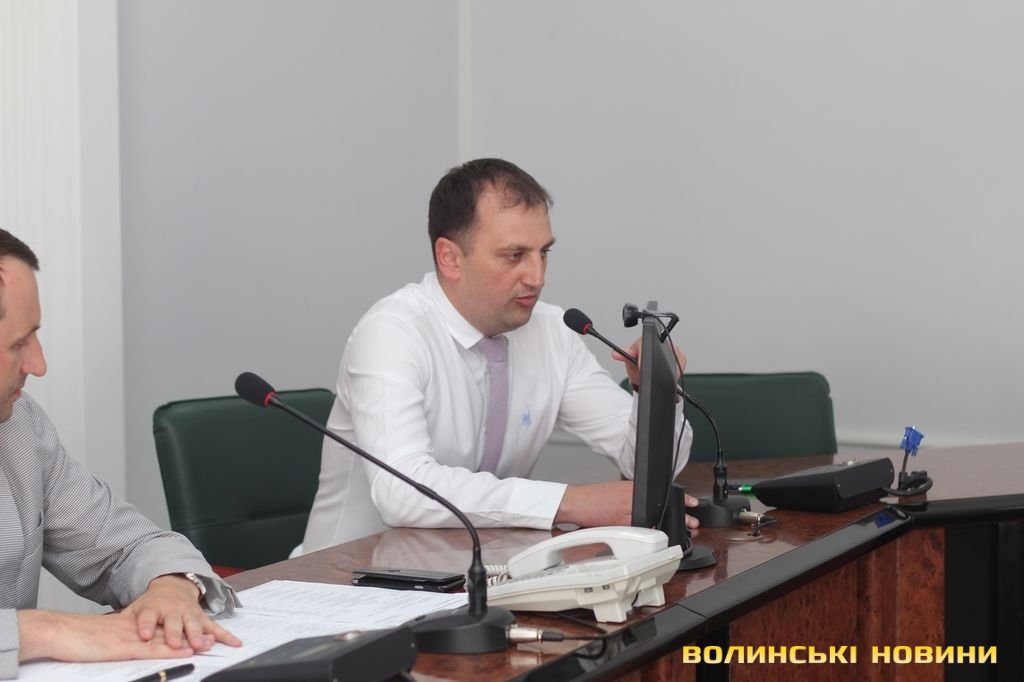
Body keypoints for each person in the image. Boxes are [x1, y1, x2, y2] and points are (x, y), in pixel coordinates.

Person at [302, 158, 694, 552]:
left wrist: (654, 391)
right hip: (341, 577)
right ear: (450, 258)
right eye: (514, 255)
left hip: (475, 572)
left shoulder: (553, 332)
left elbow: (645, 466)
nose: (537, 277)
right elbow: (401, 491)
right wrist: (569, 502)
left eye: (544, 252)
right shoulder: (392, 332)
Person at [0, 229, 241, 678]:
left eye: (34, 337)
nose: (38, 364)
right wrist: (42, 632)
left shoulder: (19, 424)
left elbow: (127, 544)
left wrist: (170, 585)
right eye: (17, 344)